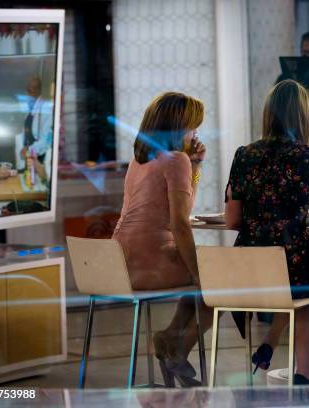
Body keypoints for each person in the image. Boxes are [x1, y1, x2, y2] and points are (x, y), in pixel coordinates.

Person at [224, 79, 309, 384]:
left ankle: (271, 340)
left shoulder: (245, 154)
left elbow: (231, 221)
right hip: (291, 261)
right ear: (304, 116)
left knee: (293, 272)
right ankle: (304, 369)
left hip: (247, 267)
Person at [112, 92, 210, 387]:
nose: (196, 134)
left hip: (118, 261)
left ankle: (170, 338)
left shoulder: (138, 160)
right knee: (218, 287)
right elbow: (179, 223)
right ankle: (177, 351)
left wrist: (195, 165)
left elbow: (179, 210)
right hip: (150, 259)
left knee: (198, 286)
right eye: (194, 127)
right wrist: (199, 274)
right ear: (179, 128)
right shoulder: (175, 160)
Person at [18, 76, 53, 168]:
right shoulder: (30, 109)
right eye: (28, 90)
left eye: (31, 90)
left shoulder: (46, 108)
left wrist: (31, 149)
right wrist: (25, 148)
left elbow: (47, 139)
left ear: (39, 91)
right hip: (30, 158)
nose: (28, 94)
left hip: (41, 160)